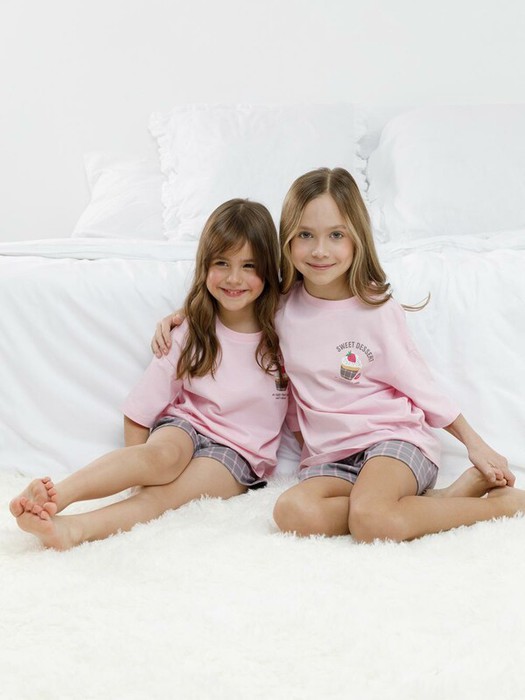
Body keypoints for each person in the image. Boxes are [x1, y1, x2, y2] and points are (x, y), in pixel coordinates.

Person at [152, 168, 524, 543]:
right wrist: (183, 317)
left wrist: (475, 444)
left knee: (371, 520)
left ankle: (500, 507)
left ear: (356, 238)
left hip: (391, 441)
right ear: (287, 240)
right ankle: (434, 502)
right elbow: (233, 310)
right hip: (329, 458)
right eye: (305, 235)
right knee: (292, 512)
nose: (320, 250)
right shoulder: (280, 309)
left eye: (336, 235)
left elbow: (420, 385)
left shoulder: (376, 310)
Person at [10, 199, 289, 550]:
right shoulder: (189, 332)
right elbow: (140, 410)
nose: (234, 278)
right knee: (158, 458)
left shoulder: (285, 332)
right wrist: (138, 477)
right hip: (185, 424)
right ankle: (55, 496)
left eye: (249, 266)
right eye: (222, 263)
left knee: (164, 497)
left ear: (270, 269)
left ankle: (75, 530)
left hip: (239, 453)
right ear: (204, 265)